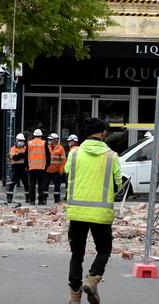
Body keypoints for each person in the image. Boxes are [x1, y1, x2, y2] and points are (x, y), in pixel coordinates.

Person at [65, 117, 122, 304]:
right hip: (101, 215)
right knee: (104, 250)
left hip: (77, 213)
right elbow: (118, 185)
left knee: (77, 255)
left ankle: (75, 297)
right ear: (103, 133)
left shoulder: (74, 154)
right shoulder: (111, 156)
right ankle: (93, 278)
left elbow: (68, 174)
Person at [26, 128, 51, 205]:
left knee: (32, 185)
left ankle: (32, 201)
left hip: (32, 167)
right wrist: (46, 165)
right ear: (41, 136)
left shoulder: (29, 143)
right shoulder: (44, 143)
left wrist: (27, 166)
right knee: (41, 185)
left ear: (34, 135)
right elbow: (48, 156)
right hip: (41, 167)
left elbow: (26, 156)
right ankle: (41, 200)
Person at [6, 132, 30, 203]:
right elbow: (14, 157)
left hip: (23, 168)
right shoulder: (13, 148)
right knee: (12, 184)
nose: (20, 142)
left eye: (22, 141)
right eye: (19, 140)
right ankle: (9, 198)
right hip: (15, 169)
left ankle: (28, 198)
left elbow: (26, 156)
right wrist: (22, 155)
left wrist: (19, 155)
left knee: (26, 184)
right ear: (16, 140)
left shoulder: (26, 148)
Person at [46, 133, 68, 204]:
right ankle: (44, 199)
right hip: (47, 171)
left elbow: (63, 160)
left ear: (55, 140)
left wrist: (61, 170)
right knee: (45, 186)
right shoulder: (47, 147)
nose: (49, 141)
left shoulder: (60, 148)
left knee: (57, 186)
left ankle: (57, 199)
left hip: (56, 171)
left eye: (51, 139)